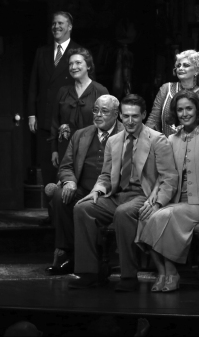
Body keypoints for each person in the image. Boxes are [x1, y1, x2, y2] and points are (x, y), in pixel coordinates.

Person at [69, 94, 178, 292]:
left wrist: (158, 202)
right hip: (118, 195)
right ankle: (90, 273)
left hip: (144, 195)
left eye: (135, 116)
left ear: (143, 115)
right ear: (120, 116)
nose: (129, 121)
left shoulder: (157, 140)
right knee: (83, 208)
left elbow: (169, 178)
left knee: (123, 212)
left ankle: (129, 276)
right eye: (125, 116)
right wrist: (97, 191)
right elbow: (105, 175)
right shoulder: (114, 141)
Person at [136, 91, 199, 292]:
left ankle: (171, 271)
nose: (184, 113)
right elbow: (163, 175)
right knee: (146, 216)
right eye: (180, 109)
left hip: (198, 203)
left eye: (188, 108)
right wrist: (152, 198)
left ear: (198, 110)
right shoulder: (171, 139)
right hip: (173, 200)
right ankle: (163, 272)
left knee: (163, 216)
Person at [46, 95, 123, 275]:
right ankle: (69, 253)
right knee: (59, 196)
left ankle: (89, 258)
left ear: (116, 114)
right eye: (95, 110)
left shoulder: (125, 133)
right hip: (83, 188)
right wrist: (70, 181)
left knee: (87, 206)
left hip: (112, 192)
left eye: (104, 111)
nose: (98, 115)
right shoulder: (81, 134)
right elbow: (65, 165)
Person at [27, 11, 83, 225]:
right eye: (53, 24)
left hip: (68, 118)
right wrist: (32, 113)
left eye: (60, 23)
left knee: (68, 167)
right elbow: (34, 84)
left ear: (70, 26)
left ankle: (66, 215)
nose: (56, 27)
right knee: (48, 167)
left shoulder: (78, 52)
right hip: (43, 118)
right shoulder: (42, 52)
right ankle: (52, 215)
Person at [50, 48, 108, 168]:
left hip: (92, 149)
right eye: (70, 64)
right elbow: (55, 121)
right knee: (66, 184)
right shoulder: (63, 91)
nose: (73, 67)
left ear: (88, 66)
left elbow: (108, 123)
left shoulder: (100, 91)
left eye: (78, 63)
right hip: (65, 148)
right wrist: (54, 150)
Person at [146, 50, 199, 137]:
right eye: (178, 65)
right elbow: (153, 120)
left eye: (186, 65)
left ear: (197, 70)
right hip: (165, 147)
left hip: (195, 148)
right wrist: (146, 141)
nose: (180, 68)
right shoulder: (166, 89)